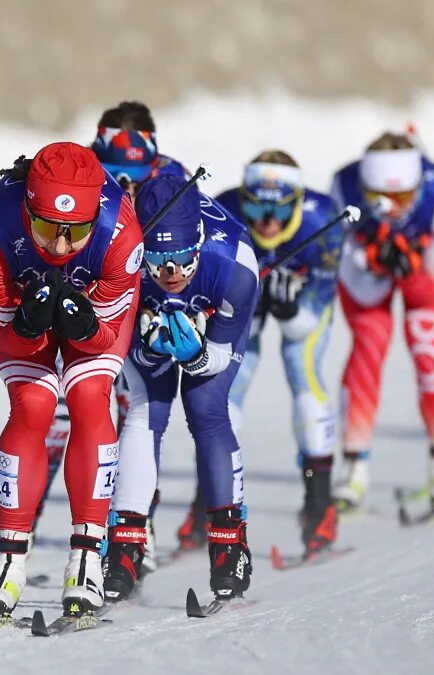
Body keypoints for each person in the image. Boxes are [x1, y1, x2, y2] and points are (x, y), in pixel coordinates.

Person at [0, 141, 144, 619]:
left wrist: (84, 325)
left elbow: (102, 337)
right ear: (27, 210)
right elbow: (7, 336)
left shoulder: (121, 232)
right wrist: (26, 323)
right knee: (32, 405)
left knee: (89, 396)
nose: (60, 247)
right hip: (21, 310)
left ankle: (86, 559)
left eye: (75, 232)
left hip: (96, 310)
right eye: (46, 228)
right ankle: (8, 561)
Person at [103, 173, 260, 603]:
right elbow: (125, 348)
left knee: (206, 407)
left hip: (212, 327)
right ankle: (125, 546)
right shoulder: (120, 258)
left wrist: (195, 357)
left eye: (182, 260)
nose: (171, 273)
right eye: (157, 260)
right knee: (144, 408)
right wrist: (150, 349)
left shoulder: (236, 266)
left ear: (200, 241)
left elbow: (222, 357)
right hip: (149, 315)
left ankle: (230, 546)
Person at [330, 131, 434, 514]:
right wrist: (374, 261)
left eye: (404, 199)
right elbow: (359, 286)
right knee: (368, 343)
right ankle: (354, 466)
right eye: (380, 199)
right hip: (367, 270)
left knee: (426, 341)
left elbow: (433, 288)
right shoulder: (343, 189)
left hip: (427, 269)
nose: (392, 209)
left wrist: (408, 269)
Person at [216, 150, 345, 555]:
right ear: (242, 196)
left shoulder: (324, 220)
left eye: (279, 208)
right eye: (255, 204)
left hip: (302, 303)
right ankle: (213, 500)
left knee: (301, 367)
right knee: (224, 390)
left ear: (298, 202)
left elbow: (307, 323)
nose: (267, 220)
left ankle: (319, 504)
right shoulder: (222, 212)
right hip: (241, 305)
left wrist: (289, 309)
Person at [90, 100, 188, 571]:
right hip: (98, 299)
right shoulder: (82, 173)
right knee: (72, 415)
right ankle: (21, 537)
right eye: (114, 173)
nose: (124, 184)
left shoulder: (173, 182)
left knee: (140, 409)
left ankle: (136, 525)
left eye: (135, 174)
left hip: (147, 299)